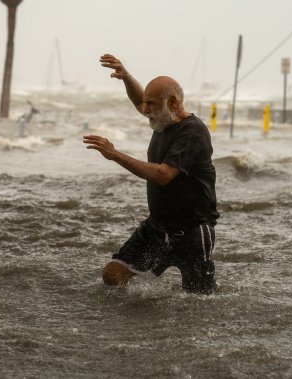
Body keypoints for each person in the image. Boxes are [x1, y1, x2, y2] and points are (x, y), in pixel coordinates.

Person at [83, 54, 219, 294]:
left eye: (151, 104)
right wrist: (125, 77)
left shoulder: (192, 132)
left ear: (174, 103)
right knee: (113, 276)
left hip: (193, 231)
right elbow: (139, 101)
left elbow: (164, 174)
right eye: (146, 104)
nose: (145, 110)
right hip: (156, 227)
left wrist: (115, 155)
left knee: (199, 301)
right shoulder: (161, 120)